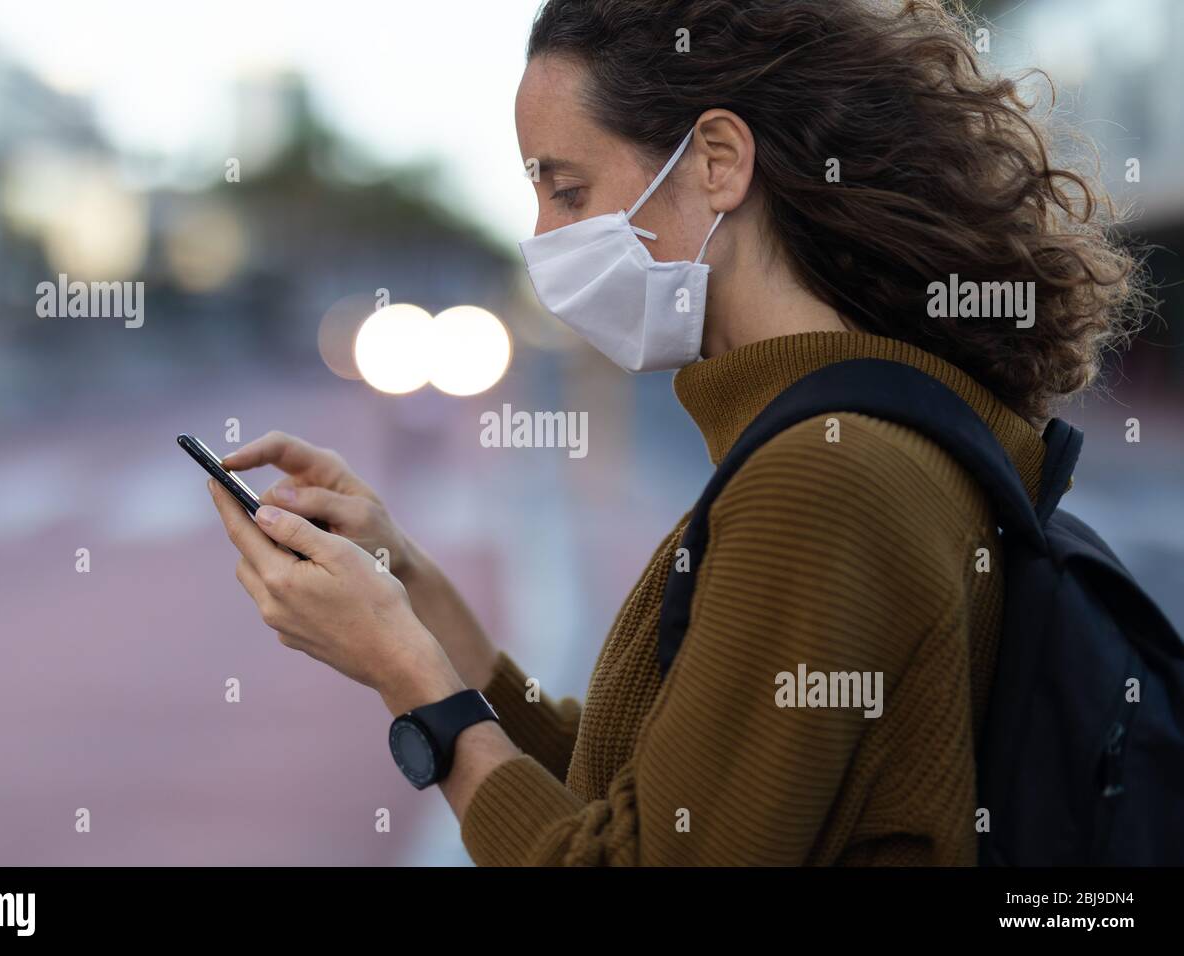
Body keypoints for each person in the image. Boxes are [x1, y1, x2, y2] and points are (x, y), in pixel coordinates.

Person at [209, 0, 1142, 865]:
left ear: (717, 163)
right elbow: (643, 798)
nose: (541, 237)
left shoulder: (827, 476)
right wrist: (404, 587)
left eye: (566, 192)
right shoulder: (855, 431)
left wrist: (407, 678)